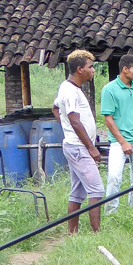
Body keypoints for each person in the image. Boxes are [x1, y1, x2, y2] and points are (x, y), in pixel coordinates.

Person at [51, 50, 103, 233]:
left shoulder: (67, 88)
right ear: (80, 69)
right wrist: (91, 148)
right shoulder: (71, 91)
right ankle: (97, 233)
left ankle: (72, 234)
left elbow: (55, 108)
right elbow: (74, 120)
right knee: (97, 190)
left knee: (78, 193)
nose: (93, 70)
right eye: (90, 67)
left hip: (75, 146)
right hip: (79, 148)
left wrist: (65, 125)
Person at [101, 55, 133, 214]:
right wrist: (123, 142)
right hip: (118, 141)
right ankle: (111, 212)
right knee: (114, 177)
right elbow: (108, 119)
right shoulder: (109, 89)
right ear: (125, 69)